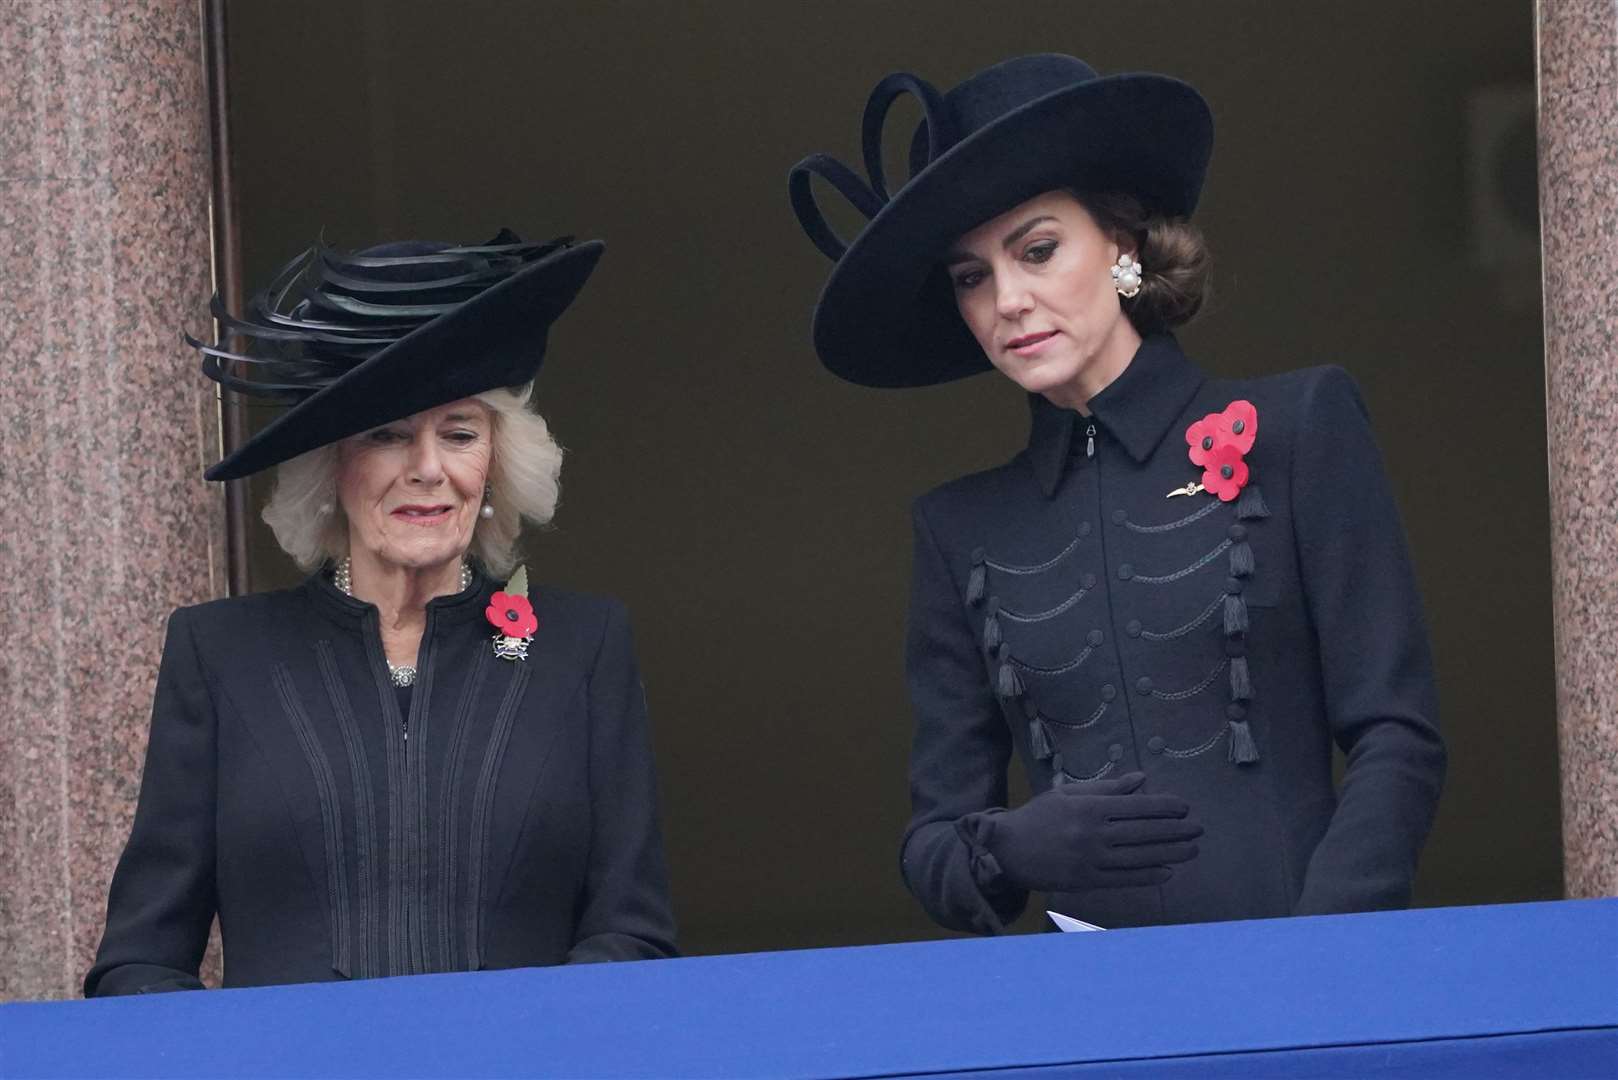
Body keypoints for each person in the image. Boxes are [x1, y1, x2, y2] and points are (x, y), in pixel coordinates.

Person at [788, 55, 1445, 933]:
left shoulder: (1299, 425)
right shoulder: (957, 527)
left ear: (1124, 250)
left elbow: (1397, 736)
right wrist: (1006, 847)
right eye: (971, 277)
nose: (1007, 301)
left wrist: (1322, 956)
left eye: (1037, 250)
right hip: (1093, 1012)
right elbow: (933, 845)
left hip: (1308, 984)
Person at [85, 231, 677, 994]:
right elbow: (140, 962)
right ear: (333, 467)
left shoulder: (584, 647)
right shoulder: (220, 654)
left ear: (494, 464)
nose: (427, 468)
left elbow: (633, 934)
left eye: (458, 433)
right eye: (387, 434)